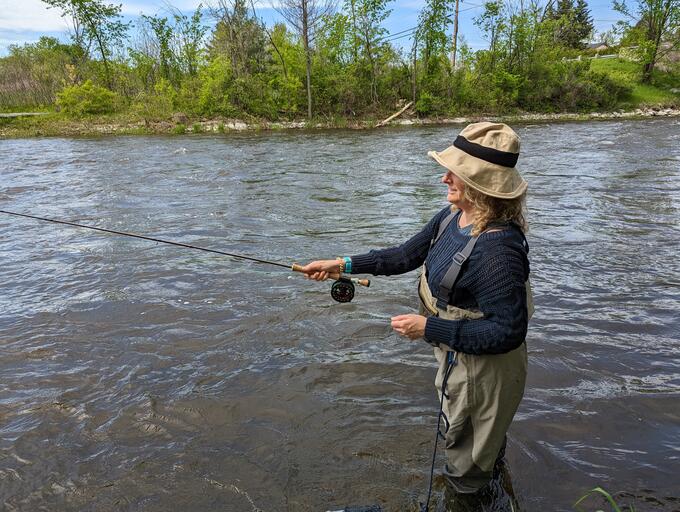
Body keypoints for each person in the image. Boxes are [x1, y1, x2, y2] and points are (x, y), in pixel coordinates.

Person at [300, 122, 533, 508]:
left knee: (466, 466)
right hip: (458, 352)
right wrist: (343, 263)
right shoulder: (452, 216)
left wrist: (429, 327)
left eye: (453, 173)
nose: (444, 178)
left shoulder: (498, 251)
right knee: (469, 435)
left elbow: (508, 332)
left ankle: (470, 499)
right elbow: (405, 255)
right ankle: (494, 482)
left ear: (479, 184)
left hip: (484, 369)